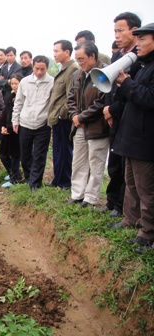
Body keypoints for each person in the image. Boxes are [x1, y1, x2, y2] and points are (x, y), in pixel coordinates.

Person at [106, 22, 154, 254]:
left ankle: (148, 233)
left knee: (146, 188)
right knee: (131, 182)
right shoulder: (143, 66)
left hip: (146, 140)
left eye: (143, 39)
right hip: (132, 136)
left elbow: (149, 98)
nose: (139, 44)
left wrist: (127, 83)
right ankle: (130, 220)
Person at [102, 12, 141, 218]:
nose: (116, 35)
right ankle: (112, 201)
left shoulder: (139, 58)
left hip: (127, 116)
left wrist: (113, 109)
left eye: (120, 30)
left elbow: (131, 90)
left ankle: (121, 205)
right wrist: (108, 109)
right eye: (115, 31)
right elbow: (108, 86)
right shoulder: (118, 56)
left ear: (134, 31)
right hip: (113, 116)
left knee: (126, 166)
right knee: (114, 162)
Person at [66, 41, 109, 208]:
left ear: (92, 56)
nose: (80, 62)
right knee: (78, 161)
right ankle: (77, 194)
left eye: (82, 58)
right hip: (79, 126)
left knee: (96, 162)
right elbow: (70, 98)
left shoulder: (103, 74)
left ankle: (90, 198)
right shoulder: (78, 74)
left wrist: (82, 117)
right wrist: (75, 116)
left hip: (97, 127)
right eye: (77, 59)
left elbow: (102, 101)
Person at [12, 55, 54, 192]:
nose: (40, 72)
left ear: (47, 68)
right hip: (25, 123)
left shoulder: (52, 82)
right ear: (33, 67)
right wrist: (15, 120)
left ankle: (35, 184)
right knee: (25, 155)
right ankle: (29, 177)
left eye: (43, 69)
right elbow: (18, 102)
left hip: (43, 124)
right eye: (37, 69)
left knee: (39, 154)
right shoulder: (25, 82)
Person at [47, 40, 78, 190]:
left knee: (65, 150)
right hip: (57, 118)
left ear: (67, 52)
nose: (54, 54)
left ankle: (65, 181)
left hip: (63, 119)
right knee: (58, 149)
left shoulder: (72, 69)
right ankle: (57, 179)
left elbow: (71, 96)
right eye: (53, 51)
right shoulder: (63, 68)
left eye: (57, 51)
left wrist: (61, 114)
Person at [0, 73, 23, 188]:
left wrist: (9, 128)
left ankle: (15, 178)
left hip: (16, 131)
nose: (14, 86)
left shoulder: (22, 97)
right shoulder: (10, 95)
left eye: (16, 84)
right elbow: (5, 112)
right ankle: (12, 173)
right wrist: (3, 126)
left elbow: (18, 115)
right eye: (12, 83)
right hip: (7, 130)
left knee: (15, 156)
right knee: (3, 154)